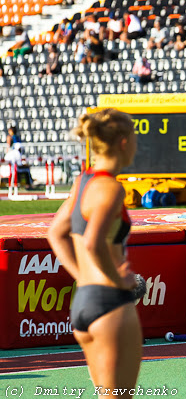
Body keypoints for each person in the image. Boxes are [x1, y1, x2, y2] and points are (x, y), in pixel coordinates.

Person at [46, 109, 142, 399]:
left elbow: (56, 234)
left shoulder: (83, 182)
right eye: (135, 138)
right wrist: (117, 280)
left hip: (85, 303)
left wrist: (84, 278)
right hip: (111, 305)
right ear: (124, 142)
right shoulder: (111, 189)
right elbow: (92, 242)